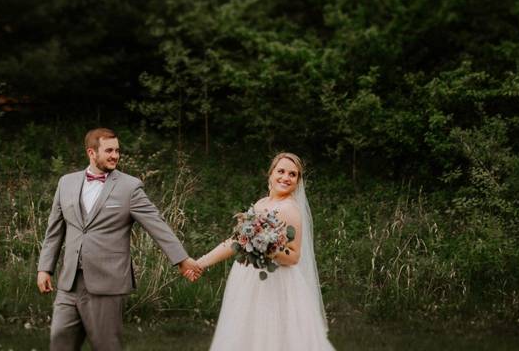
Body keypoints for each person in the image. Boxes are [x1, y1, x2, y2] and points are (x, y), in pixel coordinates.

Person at [37, 127, 203, 351]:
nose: (115, 155)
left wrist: (182, 260)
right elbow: (54, 231)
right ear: (91, 152)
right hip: (68, 283)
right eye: (109, 150)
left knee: (107, 346)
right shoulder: (66, 183)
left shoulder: (129, 187)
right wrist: (44, 268)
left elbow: (157, 225)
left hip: (107, 282)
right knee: (59, 343)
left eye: (117, 150)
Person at [196, 152, 334, 350]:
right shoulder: (261, 204)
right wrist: (200, 263)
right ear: (270, 174)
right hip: (247, 278)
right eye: (281, 171)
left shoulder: (290, 209)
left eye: (293, 174)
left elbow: (294, 256)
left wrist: (266, 249)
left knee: (272, 335)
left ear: (298, 181)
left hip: (276, 282)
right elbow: (236, 242)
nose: (286, 177)